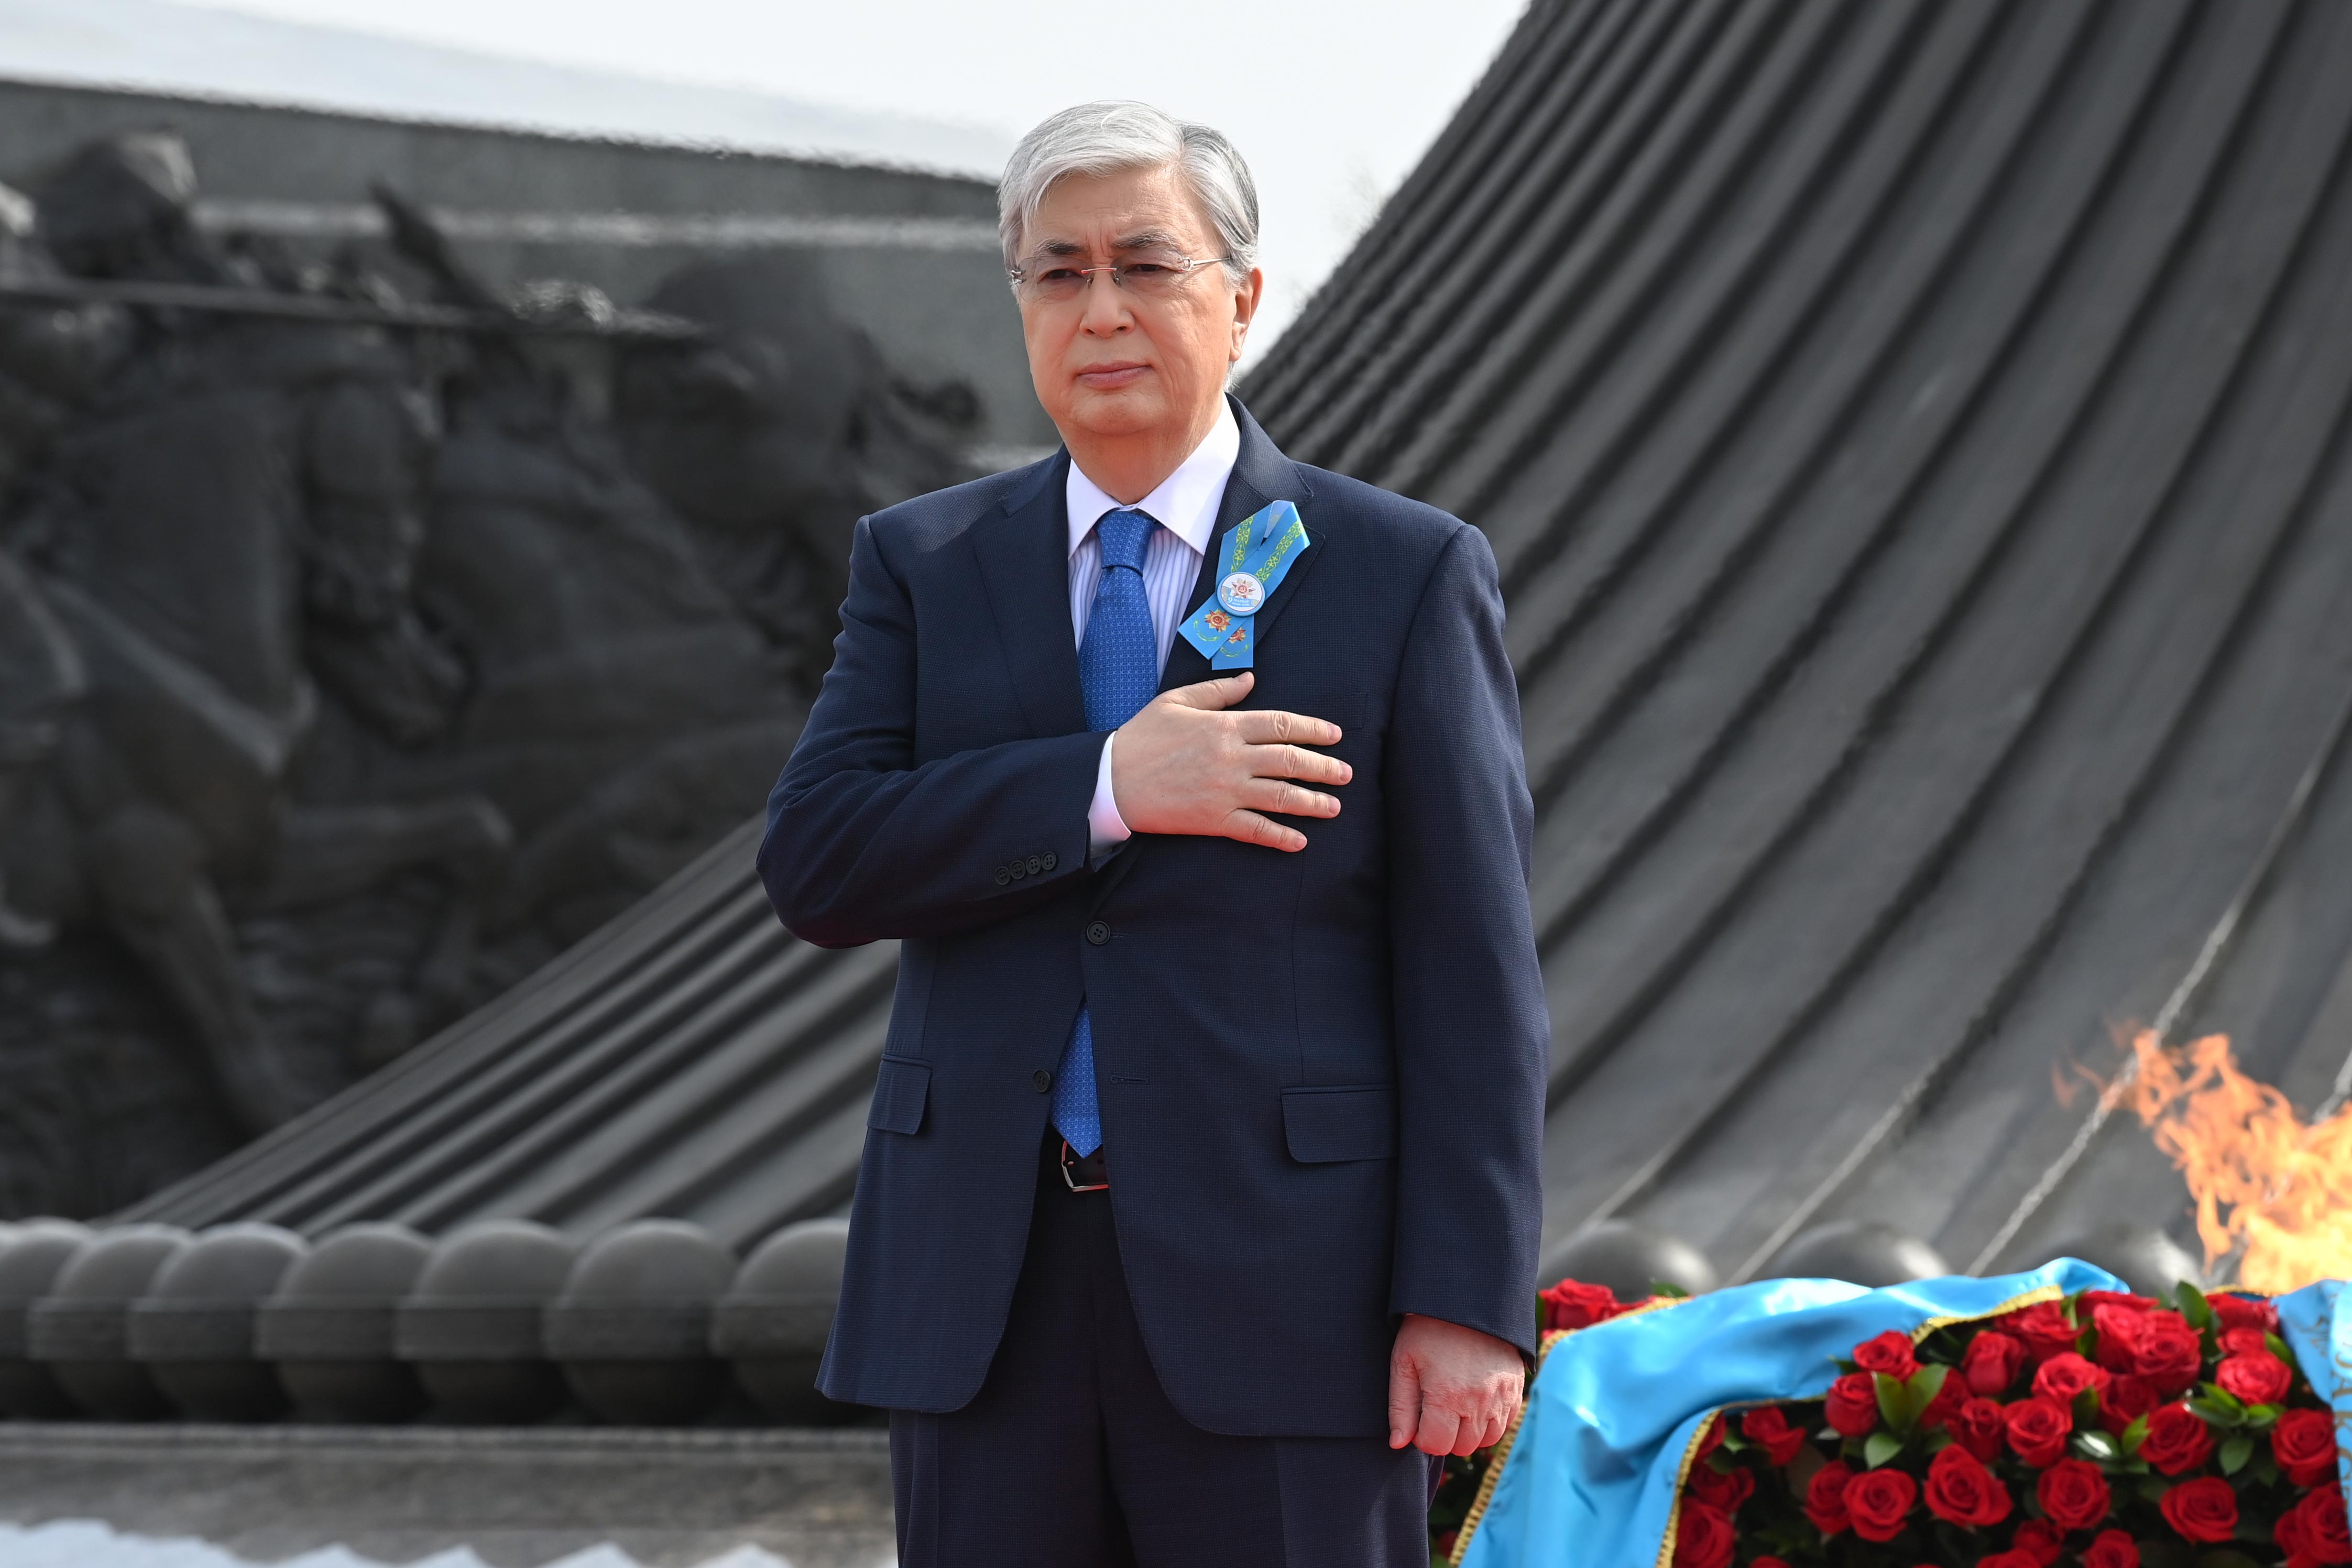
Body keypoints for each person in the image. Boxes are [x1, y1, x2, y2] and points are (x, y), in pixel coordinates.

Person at [758, 99, 1548, 1567]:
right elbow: (817, 857)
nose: (1101, 309)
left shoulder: (1399, 570)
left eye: (1145, 265)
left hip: (1292, 1292)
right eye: (1058, 274)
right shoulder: (924, 564)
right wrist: (1106, 783)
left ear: (1239, 298)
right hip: (983, 1294)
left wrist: (1465, 1294)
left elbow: (1472, 966)